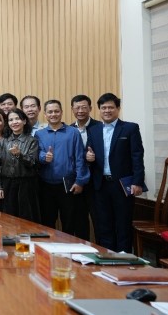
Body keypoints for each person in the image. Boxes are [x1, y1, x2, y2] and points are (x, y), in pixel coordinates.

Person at [86, 93, 146, 252]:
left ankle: (124, 259)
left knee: (123, 224)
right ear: (99, 110)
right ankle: (107, 258)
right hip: (100, 185)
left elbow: (137, 156)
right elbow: (88, 152)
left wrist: (138, 182)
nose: (107, 110)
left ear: (118, 108)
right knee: (104, 225)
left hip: (122, 185)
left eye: (111, 107)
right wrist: (88, 157)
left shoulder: (130, 128)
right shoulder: (93, 130)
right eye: (103, 108)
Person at [35, 100, 90, 239]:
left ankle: (68, 249)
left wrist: (80, 181)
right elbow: (37, 153)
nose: (53, 114)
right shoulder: (39, 134)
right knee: (47, 222)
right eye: (50, 112)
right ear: (45, 114)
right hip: (45, 185)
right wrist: (44, 157)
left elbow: (79, 158)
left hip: (68, 185)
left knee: (69, 222)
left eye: (56, 111)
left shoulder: (73, 132)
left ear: (61, 112)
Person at [0, 108, 40, 222]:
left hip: (26, 185)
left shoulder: (32, 141)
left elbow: (33, 163)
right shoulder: (4, 141)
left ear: (24, 121)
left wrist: (20, 155)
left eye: (17, 119)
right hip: (7, 185)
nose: (14, 122)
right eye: (11, 120)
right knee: (7, 220)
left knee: (27, 220)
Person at [70, 94, 101, 241]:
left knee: (99, 219)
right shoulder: (69, 129)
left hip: (96, 181)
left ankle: (102, 249)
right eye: (77, 108)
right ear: (72, 109)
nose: (80, 111)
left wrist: (95, 157)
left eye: (84, 107)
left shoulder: (100, 127)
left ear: (90, 108)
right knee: (79, 220)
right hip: (77, 181)